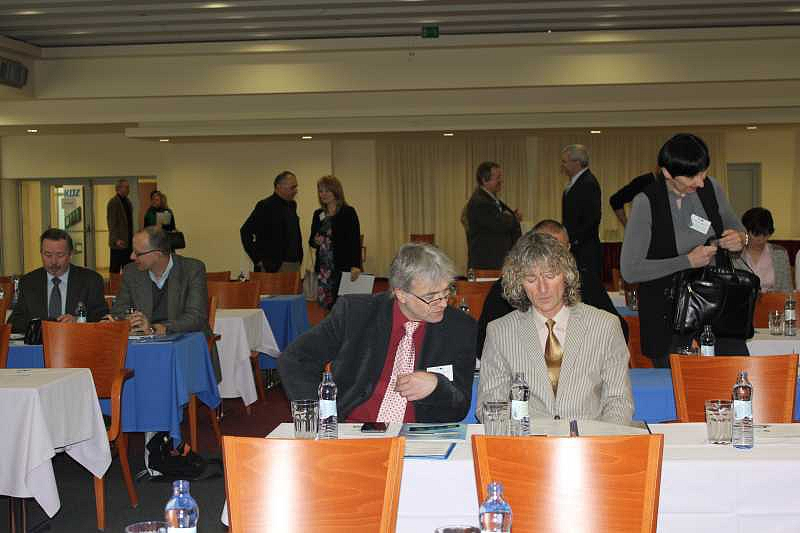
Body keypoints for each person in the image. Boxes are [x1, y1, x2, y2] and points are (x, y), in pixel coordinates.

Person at [279, 242, 477, 423]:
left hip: (420, 435)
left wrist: (436, 387)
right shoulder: (355, 314)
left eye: (447, 292)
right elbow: (295, 359)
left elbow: (460, 407)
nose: (443, 303)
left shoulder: (460, 328)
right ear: (401, 294)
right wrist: (322, 415)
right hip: (354, 429)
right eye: (431, 297)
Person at [478, 232, 633, 425]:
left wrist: (602, 440)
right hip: (526, 439)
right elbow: (491, 404)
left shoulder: (605, 326)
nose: (542, 288)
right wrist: (517, 439)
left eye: (550, 276)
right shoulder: (499, 332)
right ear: (519, 283)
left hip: (589, 439)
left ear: (566, 275)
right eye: (531, 279)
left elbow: (618, 400)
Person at [620, 133, 747, 367]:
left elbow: (739, 231)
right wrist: (687, 261)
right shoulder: (646, 202)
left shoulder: (712, 188)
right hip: (668, 317)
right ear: (667, 173)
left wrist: (740, 240)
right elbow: (630, 270)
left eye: (703, 173)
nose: (700, 182)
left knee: (733, 375)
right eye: (691, 176)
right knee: (678, 385)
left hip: (716, 310)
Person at [476, 219, 628, 356]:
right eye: (543, 249)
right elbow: (485, 343)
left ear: (568, 251)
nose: (550, 258)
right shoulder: (508, 286)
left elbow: (619, 331)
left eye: (559, 252)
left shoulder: (586, 282)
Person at [109, 226, 220, 379]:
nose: (132, 256)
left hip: (184, 346)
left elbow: (196, 317)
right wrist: (131, 320)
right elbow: (118, 311)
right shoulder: (131, 272)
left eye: (138, 253)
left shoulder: (192, 269)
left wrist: (154, 328)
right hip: (144, 349)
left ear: (157, 254)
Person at [9, 228, 107, 333]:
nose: (53, 261)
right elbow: (15, 322)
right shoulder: (28, 282)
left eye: (60, 255)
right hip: (40, 342)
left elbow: (103, 318)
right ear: (41, 253)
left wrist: (79, 321)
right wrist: (40, 325)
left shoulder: (91, 280)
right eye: (48, 255)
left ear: (70, 254)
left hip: (78, 339)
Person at [309, 175, 362, 310]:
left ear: (336, 191)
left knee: (342, 305)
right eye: (320, 191)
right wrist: (315, 241)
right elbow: (311, 241)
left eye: (327, 190)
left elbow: (354, 241)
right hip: (323, 268)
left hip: (342, 265)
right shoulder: (318, 214)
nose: (323, 194)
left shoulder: (348, 212)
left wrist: (356, 265)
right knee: (326, 305)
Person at [462, 161, 522, 270]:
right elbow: (499, 224)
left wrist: (510, 217)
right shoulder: (480, 202)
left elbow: (502, 219)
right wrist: (513, 218)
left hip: (494, 263)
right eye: (497, 177)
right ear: (484, 180)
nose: (501, 181)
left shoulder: (490, 199)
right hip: (487, 265)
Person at [240, 170, 303, 272]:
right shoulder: (265, 206)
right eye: (292, 187)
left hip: (294, 264)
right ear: (279, 187)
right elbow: (245, 231)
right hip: (272, 267)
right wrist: (258, 259)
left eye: (296, 187)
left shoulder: (292, 205)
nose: (295, 190)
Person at [561, 144, 603, 278]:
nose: (563, 165)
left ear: (577, 163)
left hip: (584, 251)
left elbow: (593, 218)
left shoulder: (588, 183)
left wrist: (572, 241)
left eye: (565, 162)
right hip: (578, 249)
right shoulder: (577, 182)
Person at [733, 207, 793, 293]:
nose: (761, 239)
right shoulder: (734, 255)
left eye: (765, 235)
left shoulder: (779, 253)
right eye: (756, 234)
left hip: (773, 300)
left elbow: (787, 290)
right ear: (745, 231)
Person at [107, 178, 134, 273]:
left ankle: (128, 283)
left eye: (128, 187)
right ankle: (114, 283)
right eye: (126, 187)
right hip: (118, 243)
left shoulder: (128, 202)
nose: (128, 189)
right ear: (118, 188)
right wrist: (116, 240)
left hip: (128, 241)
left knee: (129, 268)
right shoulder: (113, 202)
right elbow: (112, 222)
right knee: (115, 269)